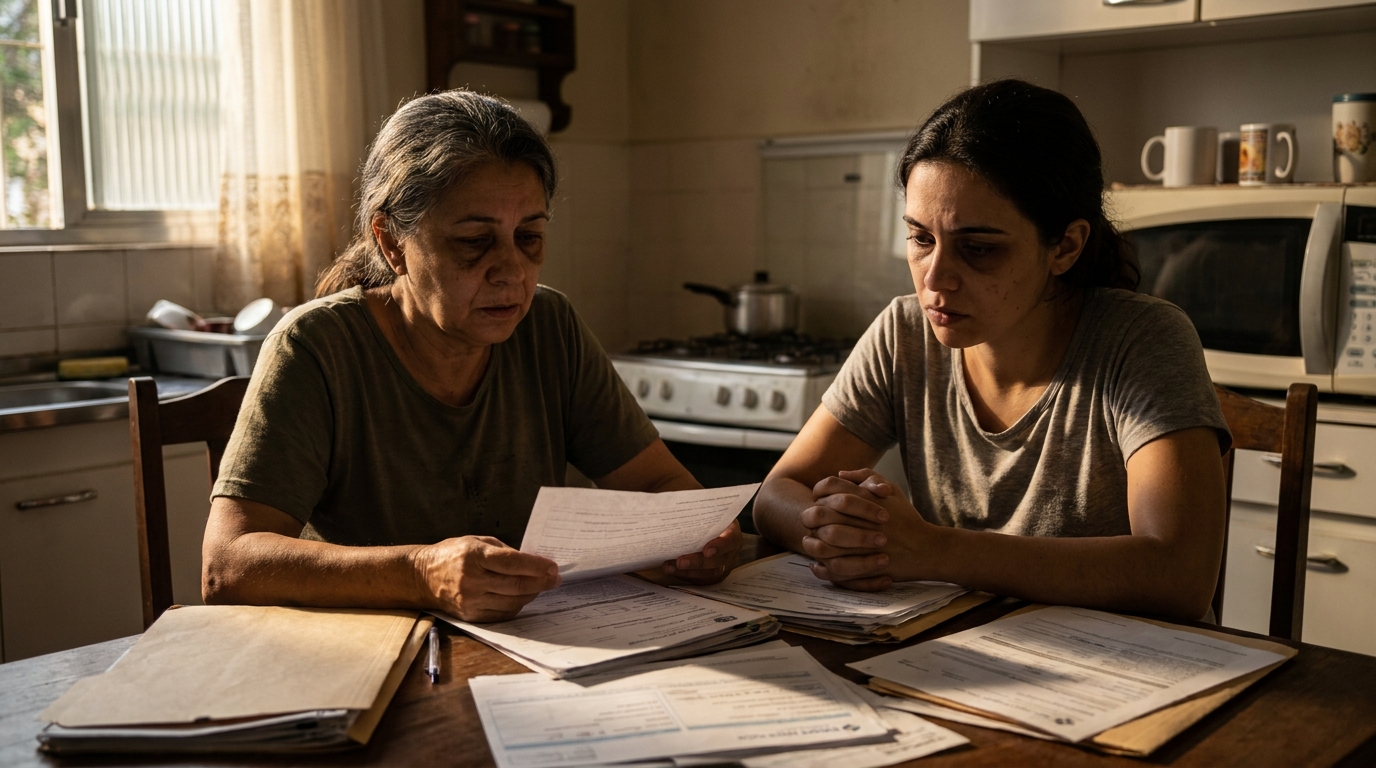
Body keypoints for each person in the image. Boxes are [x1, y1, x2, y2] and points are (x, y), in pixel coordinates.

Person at [202, 91, 740, 623]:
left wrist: (700, 537)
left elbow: (661, 486)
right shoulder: (316, 347)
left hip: (528, 647)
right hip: (375, 660)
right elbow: (227, 565)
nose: (513, 271)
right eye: (474, 241)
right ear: (391, 242)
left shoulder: (549, 326)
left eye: (529, 236)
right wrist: (421, 573)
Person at [752, 79, 1230, 621]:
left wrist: (933, 549)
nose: (935, 278)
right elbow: (776, 496)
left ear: (1066, 246)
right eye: (920, 238)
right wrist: (848, 531)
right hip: (960, 652)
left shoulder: (1142, 340)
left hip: (1129, 669)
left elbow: (1180, 576)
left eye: (978, 249)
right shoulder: (903, 334)